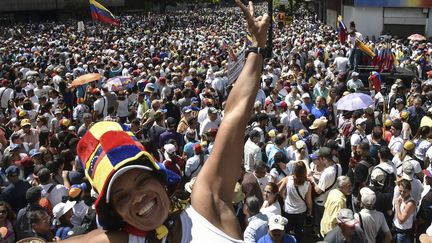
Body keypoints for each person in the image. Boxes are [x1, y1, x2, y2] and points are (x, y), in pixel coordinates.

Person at [62, 2, 271, 242]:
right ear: (115, 212)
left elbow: (234, 115)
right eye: (121, 197)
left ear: (161, 178)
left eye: (142, 181)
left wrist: (256, 47)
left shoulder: (206, 208)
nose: (138, 197)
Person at [281, 161, 312, 243]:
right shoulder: (307, 184)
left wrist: (285, 198)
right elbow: (309, 201)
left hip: (288, 211)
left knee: (287, 230)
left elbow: (280, 191)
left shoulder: (288, 179)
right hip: (301, 212)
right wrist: (310, 210)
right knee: (298, 231)